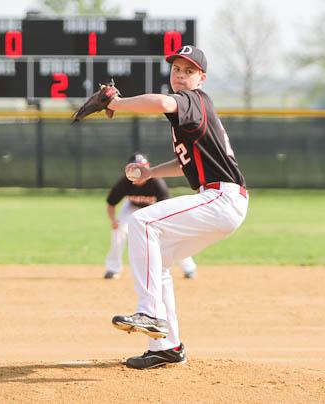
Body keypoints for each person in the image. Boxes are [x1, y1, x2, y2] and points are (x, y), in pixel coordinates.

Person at [75, 45, 248, 369]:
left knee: (141, 222)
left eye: (189, 71)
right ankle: (166, 346)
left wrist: (116, 102)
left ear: (202, 78)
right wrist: (151, 172)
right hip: (222, 201)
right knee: (162, 262)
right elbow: (188, 165)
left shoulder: (192, 100)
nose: (180, 75)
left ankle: (151, 313)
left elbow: (161, 102)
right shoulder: (192, 112)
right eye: (176, 69)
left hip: (221, 199)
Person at [104, 152, 197, 280]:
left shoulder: (157, 183)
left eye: (141, 168)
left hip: (155, 208)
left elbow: (166, 208)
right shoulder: (125, 182)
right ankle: (113, 268)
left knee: (170, 235)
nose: (138, 172)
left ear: (146, 168)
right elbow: (110, 204)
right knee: (118, 229)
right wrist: (113, 220)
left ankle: (189, 268)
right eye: (135, 168)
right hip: (132, 207)